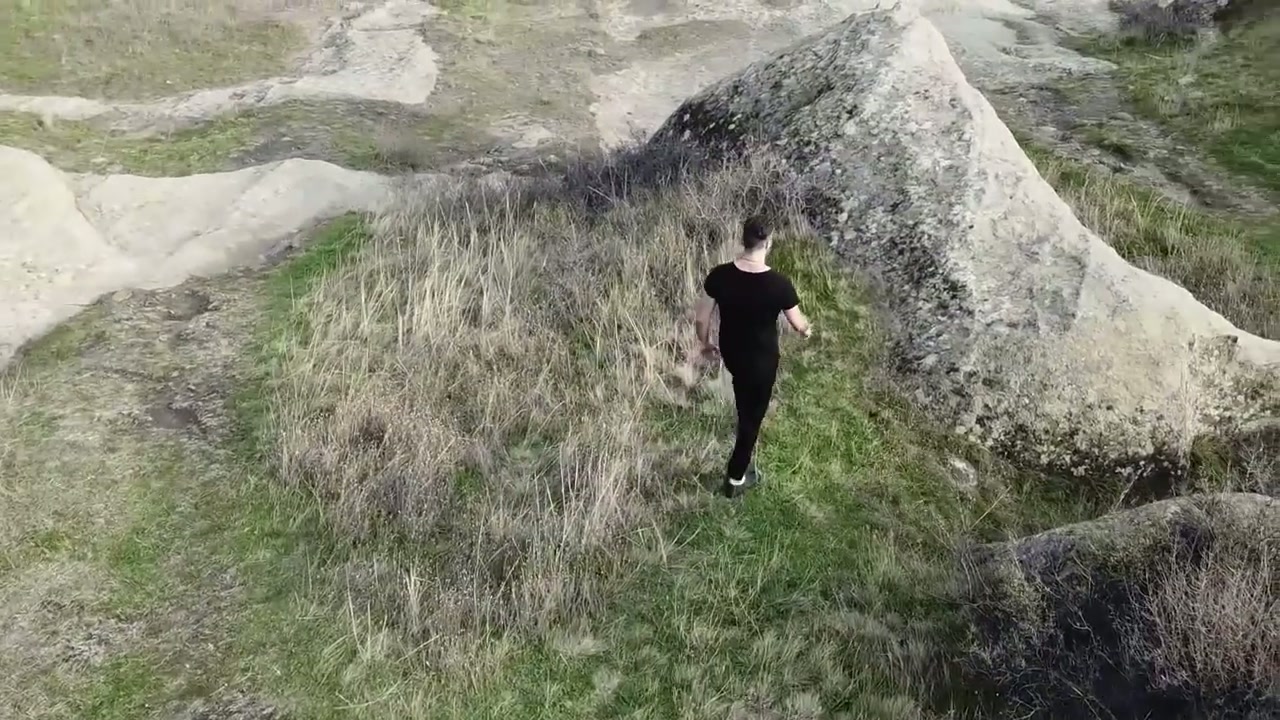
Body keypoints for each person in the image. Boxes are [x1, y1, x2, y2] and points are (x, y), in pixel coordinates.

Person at [694, 215, 812, 499]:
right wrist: (808, 331)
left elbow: (701, 319)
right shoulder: (779, 284)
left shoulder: (720, 275)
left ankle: (742, 445)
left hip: (732, 353)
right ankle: (736, 478)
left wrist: (705, 344)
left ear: (742, 240)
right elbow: (799, 324)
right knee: (751, 419)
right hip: (761, 362)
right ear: (768, 243)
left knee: (743, 397)